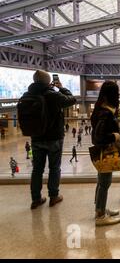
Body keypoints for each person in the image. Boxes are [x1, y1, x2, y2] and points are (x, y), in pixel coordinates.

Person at [24, 70, 76, 209]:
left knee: (37, 169)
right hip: (53, 138)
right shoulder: (52, 94)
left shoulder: (27, 95)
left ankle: (36, 199)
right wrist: (61, 87)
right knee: (54, 168)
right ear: (48, 82)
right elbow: (71, 99)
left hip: (36, 138)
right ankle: (54, 196)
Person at [91, 81, 120, 227]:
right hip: (106, 151)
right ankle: (100, 215)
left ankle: (100, 208)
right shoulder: (106, 113)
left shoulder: (100, 108)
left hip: (102, 150)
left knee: (101, 180)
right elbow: (99, 136)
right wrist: (115, 136)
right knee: (105, 182)